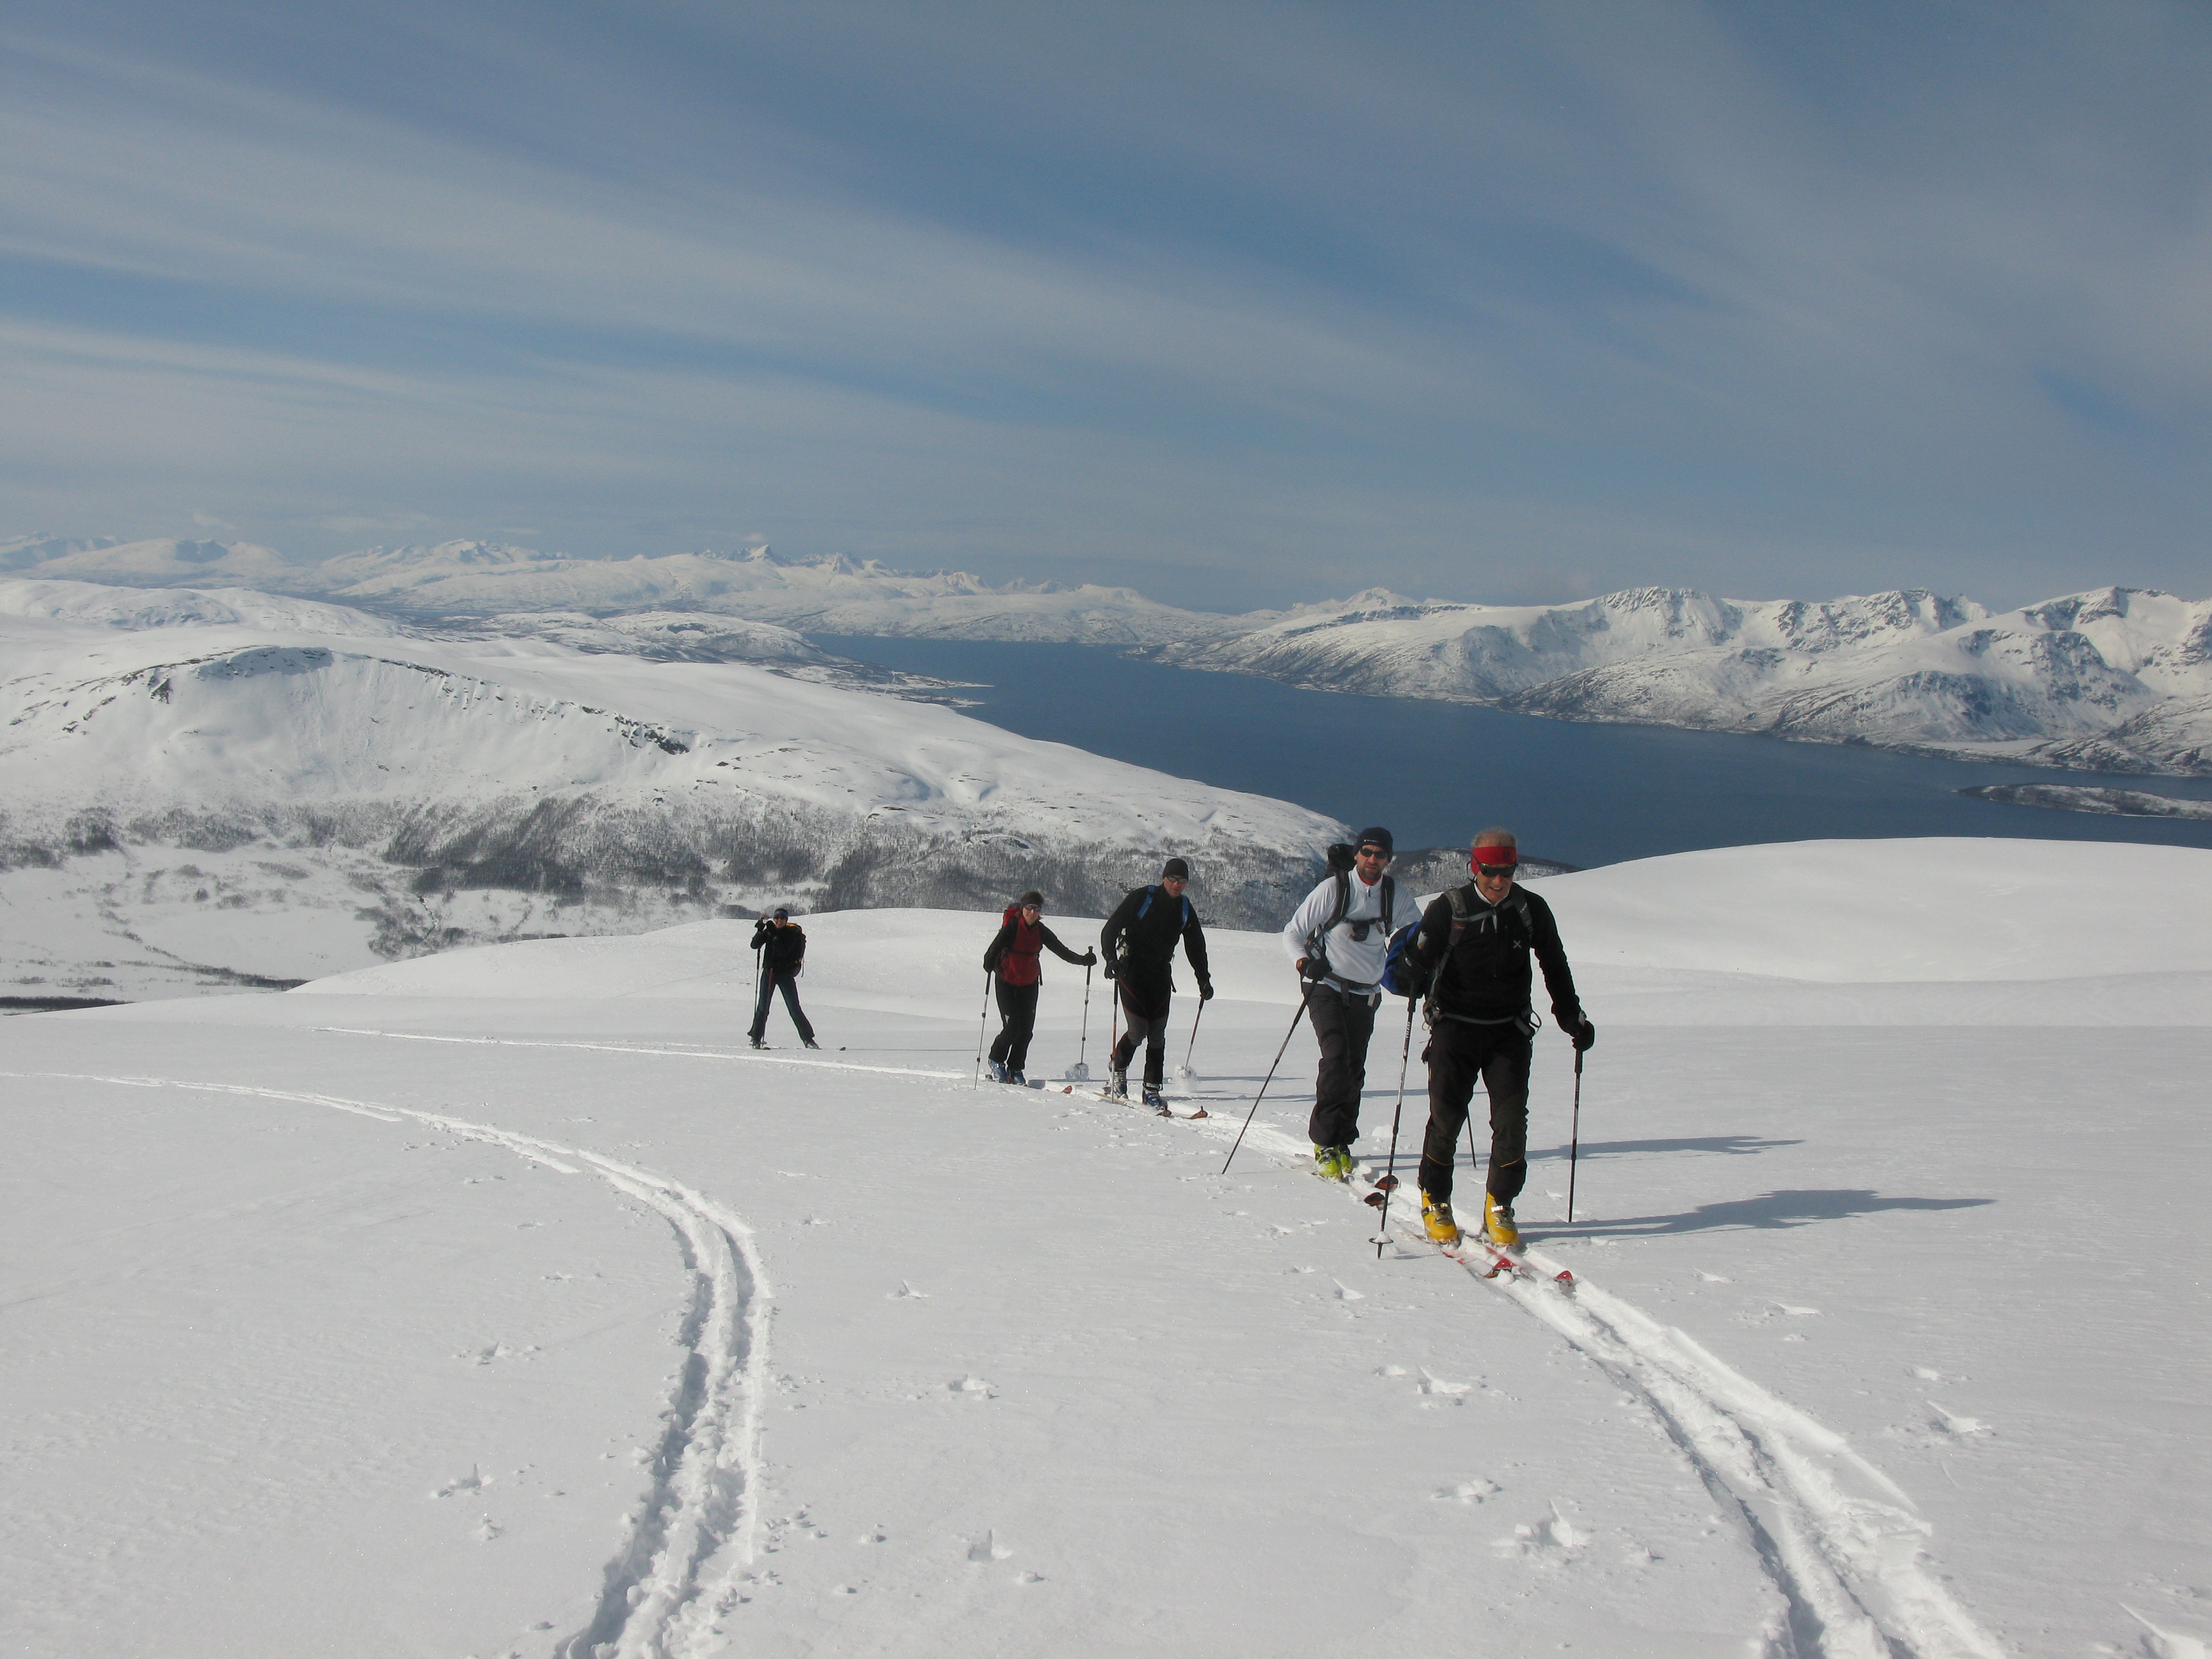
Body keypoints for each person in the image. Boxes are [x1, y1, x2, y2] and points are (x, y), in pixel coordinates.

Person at [1394, 829, 1594, 1248]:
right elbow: (1419, 964)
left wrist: (1571, 1017)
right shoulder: (1448, 909)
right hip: (1454, 1027)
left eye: (1506, 872)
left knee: (1511, 1120)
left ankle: (1500, 1202)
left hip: (1509, 1030)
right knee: (1446, 1116)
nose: (1499, 882)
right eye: (1490, 873)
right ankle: (1435, 1197)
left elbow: (1554, 963)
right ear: (1475, 868)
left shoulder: (1530, 909)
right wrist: (1412, 972)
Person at [1281, 827, 1411, 1181]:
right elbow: (1293, 932)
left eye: (1380, 854)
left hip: (1367, 994)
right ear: (1356, 854)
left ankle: (1343, 1140)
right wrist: (1304, 963)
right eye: (1367, 852)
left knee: (1354, 1067)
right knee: (1337, 1056)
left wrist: (1417, 968)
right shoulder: (1333, 889)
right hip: (1325, 985)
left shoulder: (1394, 895)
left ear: (1388, 859)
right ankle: (1325, 1141)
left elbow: (1414, 934)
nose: (1373, 859)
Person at [1100, 857, 1213, 1110]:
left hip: (1161, 974)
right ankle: (1118, 1069)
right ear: (1164, 878)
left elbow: (1196, 945)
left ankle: (1151, 1091)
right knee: (1139, 1030)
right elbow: (1111, 928)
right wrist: (1110, 959)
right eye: (1172, 879)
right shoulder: (1144, 898)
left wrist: (1203, 979)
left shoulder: (1184, 908)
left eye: (1182, 880)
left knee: (1158, 1035)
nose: (1176, 884)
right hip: (1131, 970)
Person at [982, 891, 1095, 1084]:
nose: (1032, 912)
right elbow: (992, 951)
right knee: (1012, 1027)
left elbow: (1061, 951)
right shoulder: (1011, 928)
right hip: (1006, 983)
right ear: (1023, 909)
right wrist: (991, 965)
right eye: (1029, 908)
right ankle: (996, 1060)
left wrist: (1084, 961)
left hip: (1029, 984)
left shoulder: (1041, 931)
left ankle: (1016, 1067)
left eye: (1037, 909)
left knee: (1026, 1030)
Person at [748, 907, 818, 1050]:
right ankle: (756, 1038)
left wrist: (772, 934)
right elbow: (754, 945)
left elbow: (784, 951)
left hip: (785, 974)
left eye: (782, 918)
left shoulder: (791, 934)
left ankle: (808, 1040)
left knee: (794, 1008)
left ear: (787, 920)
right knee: (763, 1008)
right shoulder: (770, 931)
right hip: (769, 974)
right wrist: (760, 930)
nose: (779, 921)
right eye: (777, 918)